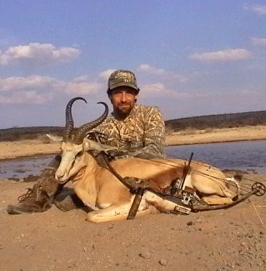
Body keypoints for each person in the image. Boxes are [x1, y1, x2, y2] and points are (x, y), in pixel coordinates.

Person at [7, 70, 166, 214]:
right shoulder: (101, 125)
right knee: (69, 150)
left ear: (136, 95)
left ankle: (80, 199)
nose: (124, 99)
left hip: (144, 175)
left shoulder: (151, 113)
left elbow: (156, 152)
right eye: (118, 93)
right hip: (113, 178)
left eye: (129, 93)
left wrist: (116, 155)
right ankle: (38, 198)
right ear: (109, 96)